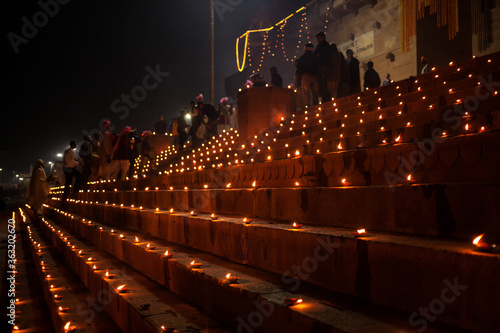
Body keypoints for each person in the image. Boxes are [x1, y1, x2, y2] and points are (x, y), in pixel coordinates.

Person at [296, 43, 318, 107]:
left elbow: (299, 68)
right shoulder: (314, 57)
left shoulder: (302, 58)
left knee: (306, 93)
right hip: (314, 77)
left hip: (305, 77)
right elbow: (317, 65)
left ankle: (308, 106)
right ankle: (316, 106)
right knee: (315, 93)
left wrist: (302, 75)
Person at [313, 32, 331, 102]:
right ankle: (327, 99)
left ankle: (325, 100)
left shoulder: (320, 46)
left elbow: (315, 56)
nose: (317, 40)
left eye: (318, 38)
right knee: (326, 84)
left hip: (321, 68)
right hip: (327, 67)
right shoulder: (327, 45)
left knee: (322, 84)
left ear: (322, 37)